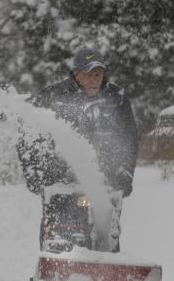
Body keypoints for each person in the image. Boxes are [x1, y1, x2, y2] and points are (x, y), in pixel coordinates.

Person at [17, 47, 139, 251]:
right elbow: (27, 136)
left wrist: (124, 174)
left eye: (98, 74)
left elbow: (129, 140)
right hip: (61, 185)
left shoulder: (116, 98)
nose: (94, 79)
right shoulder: (53, 97)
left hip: (106, 186)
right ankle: (55, 271)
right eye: (88, 74)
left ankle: (108, 276)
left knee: (106, 241)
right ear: (75, 74)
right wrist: (36, 175)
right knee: (61, 238)